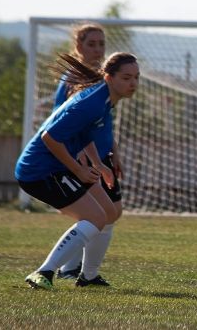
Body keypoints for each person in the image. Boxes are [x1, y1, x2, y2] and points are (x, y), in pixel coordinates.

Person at [16, 51, 139, 290]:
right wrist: (79, 170)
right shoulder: (91, 103)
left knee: (111, 212)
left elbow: (85, 134)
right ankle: (44, 272)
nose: (133, 83)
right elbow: (49, 137)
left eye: (136, 77)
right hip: (40, 170)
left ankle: (89, 277)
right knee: (95, 217)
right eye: (126, 77)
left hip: (61, 165)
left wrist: (99, 164)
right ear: (108, 77)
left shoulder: (104, 99)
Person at [52, 23, 126, 285]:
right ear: (78, 46)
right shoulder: (73, 78)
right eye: (91, 44)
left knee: (111, 212)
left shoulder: (101, 78)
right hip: (84, 155)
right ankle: (71, 269)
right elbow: (63, 121)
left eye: (101, 44)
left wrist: (113, 151)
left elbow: (102, 122)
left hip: (101, 153)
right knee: (101, 213)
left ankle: (76, 269)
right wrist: (81, 157)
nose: (97, 49)